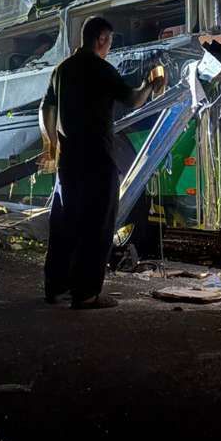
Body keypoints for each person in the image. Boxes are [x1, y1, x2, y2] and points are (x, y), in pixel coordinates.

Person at [39, 16, 165, 309]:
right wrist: (149, 82)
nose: (109, 47)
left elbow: (46, 108)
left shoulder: (61, 70)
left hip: (68, 162)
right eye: (109, 41)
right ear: (101, 39)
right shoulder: (102, 70)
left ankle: (55, 288)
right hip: (97, 158)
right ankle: (86, 294)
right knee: (97, 226)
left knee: (64, 224)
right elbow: (134, 100)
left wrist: (50, 144)